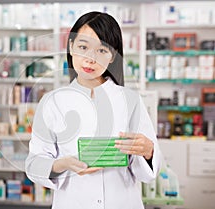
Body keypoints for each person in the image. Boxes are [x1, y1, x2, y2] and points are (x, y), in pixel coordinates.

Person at [25, 11, 161, 209]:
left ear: (113, 56)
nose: (90, 59)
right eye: (83, 47)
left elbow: (146, 172)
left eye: (102, 50)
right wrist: (63, 164)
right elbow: (34, 164)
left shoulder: (130, 101)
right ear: (71, 46)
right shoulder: (52, 102)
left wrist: (148, 152)